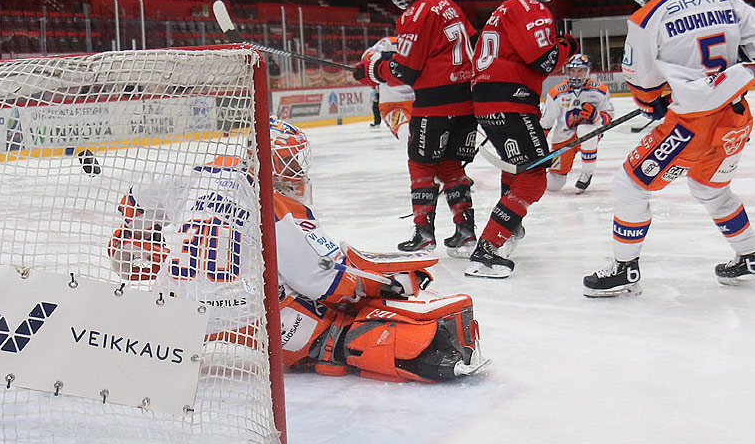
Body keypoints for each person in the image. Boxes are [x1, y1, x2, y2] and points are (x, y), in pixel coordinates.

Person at [107, 120, 485, 382]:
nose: (296, 172)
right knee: (328, 322)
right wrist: (389, 285)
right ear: (268, 163)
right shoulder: (280, 207)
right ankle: (353, 348)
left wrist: (141, 242)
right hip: (244, 315)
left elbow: (132, 204)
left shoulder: (199, 172)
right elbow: (323, 281)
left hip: (172, 309)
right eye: (288, 162)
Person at [582, 0, 755, 297]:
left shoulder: (647, 16)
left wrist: (654, 104)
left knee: (629, 185)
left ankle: (625, 268)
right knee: (710, 187)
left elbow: (642, 83)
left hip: (692, 123)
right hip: (736, 115)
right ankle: (752, 257)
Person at [357, 0, 478, 255]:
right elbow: (475, 41)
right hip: (465, 101)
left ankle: (424, 233)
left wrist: (371, 70)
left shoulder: (416, 13)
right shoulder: (446, 4)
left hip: (435, 103)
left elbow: (404, 71)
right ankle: (465, 230)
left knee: (420, 165)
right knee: (450, 165)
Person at [464, 0, 568, 278]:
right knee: (535, 177)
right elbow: (544, 61)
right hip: (510, 99)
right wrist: (568, 44)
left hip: (491, 100)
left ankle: (507, 228)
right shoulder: (529, 8)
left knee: (518, 168)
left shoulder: (504, 10)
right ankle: (487, 249)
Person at [541, 53, 615, 193]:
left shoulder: (599, 90)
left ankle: (587, 173)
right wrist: (537, 148)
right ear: (567, 71)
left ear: (587, 71)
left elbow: (609, 115)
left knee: (586, 129)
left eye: (580, 71)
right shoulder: (556, 93)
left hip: (588, 135)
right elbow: (546, 123)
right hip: (563, 138)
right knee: (553, 184)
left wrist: (596, 116)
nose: (576, 75)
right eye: (572, 71)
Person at [360, 35, 413, 136]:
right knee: (408, 138)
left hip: (421, 101)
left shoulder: (424, 42)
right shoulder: (391, 42)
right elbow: (366, 56)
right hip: (393, 104)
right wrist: (389, 59)